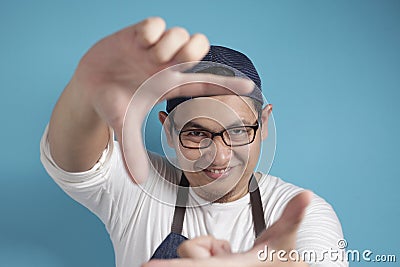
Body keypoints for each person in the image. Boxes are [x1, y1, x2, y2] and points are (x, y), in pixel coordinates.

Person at [40, 17, 347, 267]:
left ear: (263, 123)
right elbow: (73, 160)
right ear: (169, 130)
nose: (221, 156)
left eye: (239, 131)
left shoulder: (299, 214)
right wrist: (84, 90)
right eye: (197, 133)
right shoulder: (139, 187)